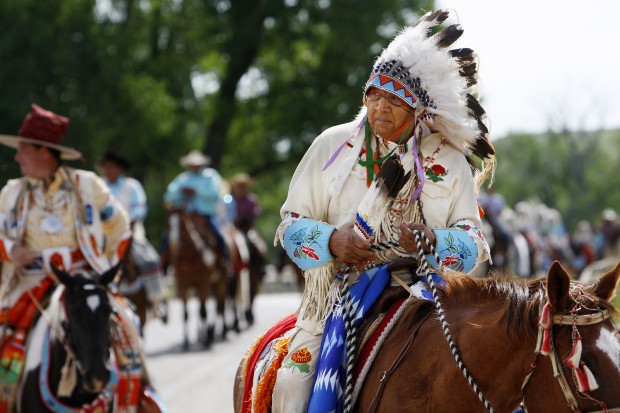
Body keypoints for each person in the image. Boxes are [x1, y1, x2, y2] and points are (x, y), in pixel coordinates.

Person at [269, 9, 495, 412]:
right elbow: (289, 226)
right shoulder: (332, 147)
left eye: (394, 100)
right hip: (339, 293)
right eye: (374, 96)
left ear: (419, 110)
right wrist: (332, 241)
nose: (380, 109)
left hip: (430, 294)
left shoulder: (449, 161)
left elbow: (475, 240)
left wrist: (436, 241)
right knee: (292, 382)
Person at [0, 104, 132, 408]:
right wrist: (11, 251)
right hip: (29, 284)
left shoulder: (87, 185)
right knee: (5, 340)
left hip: (85, 281)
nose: (17, 157)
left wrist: (105, 273)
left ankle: (139, 399)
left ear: (44, 152)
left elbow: (121, 227)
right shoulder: (11, 193)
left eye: (23, 150)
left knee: (128, 330)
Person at [96, 149, 168, 322]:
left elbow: (140, 208)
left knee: (149, 259)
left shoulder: (131, 185)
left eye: (112, 167)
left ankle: (157, 300)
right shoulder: (98, 186)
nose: (108, 170)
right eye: (105, 167)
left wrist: (127, 223)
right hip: (104, 232)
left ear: (120, 168)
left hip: (132, 229)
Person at [163, 149, 231, 274]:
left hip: (206, 215)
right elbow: (169, 195)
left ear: (201, 165)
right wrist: (181, 193)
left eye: (197, 165)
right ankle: (164, 265)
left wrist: (196, 192)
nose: (194, 167)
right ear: (188, 166)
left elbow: (215, 193)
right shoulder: (182, 178)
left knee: (218, 235)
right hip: (186, 216)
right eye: (192, 165)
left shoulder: (211, 176)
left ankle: (224, 261)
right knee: (168, 236)